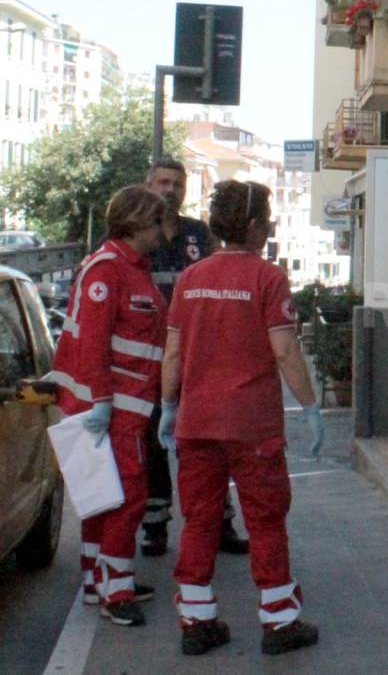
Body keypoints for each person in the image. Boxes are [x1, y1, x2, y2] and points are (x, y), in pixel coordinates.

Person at [158, 180, 323, 656]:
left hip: (196, 423)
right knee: (266, 520)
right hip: (252, 426)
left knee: (199, 521)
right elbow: (286, 350)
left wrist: (169, 407)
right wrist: (310, 407)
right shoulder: (267, 278)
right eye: (268, 220)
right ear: (252, 227)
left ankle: (197, 621)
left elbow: (172, 355)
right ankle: (279, 622)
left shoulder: (191, 278)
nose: (270, 227)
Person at [51, 186, 169, 626]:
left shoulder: (129, 267)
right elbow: (94, 344)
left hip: (125, 403)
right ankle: (114, 590)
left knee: (102, 495)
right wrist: (100, 402)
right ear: (138, 221)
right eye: (158, 221)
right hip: (112, 406)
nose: (163, 231)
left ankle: (95, 580)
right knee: (129, 495)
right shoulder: (109, 269)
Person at [139, 157, 248, 557]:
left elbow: (220, 278)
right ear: (148, 185)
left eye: (177, 184)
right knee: (152, 446)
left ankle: (219, 523)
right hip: (150, 359)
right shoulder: (135, 235)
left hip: (198, 358)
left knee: (205, 446)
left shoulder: (199, 234)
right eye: (163, 182)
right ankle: (155, 527)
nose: (170, 189)